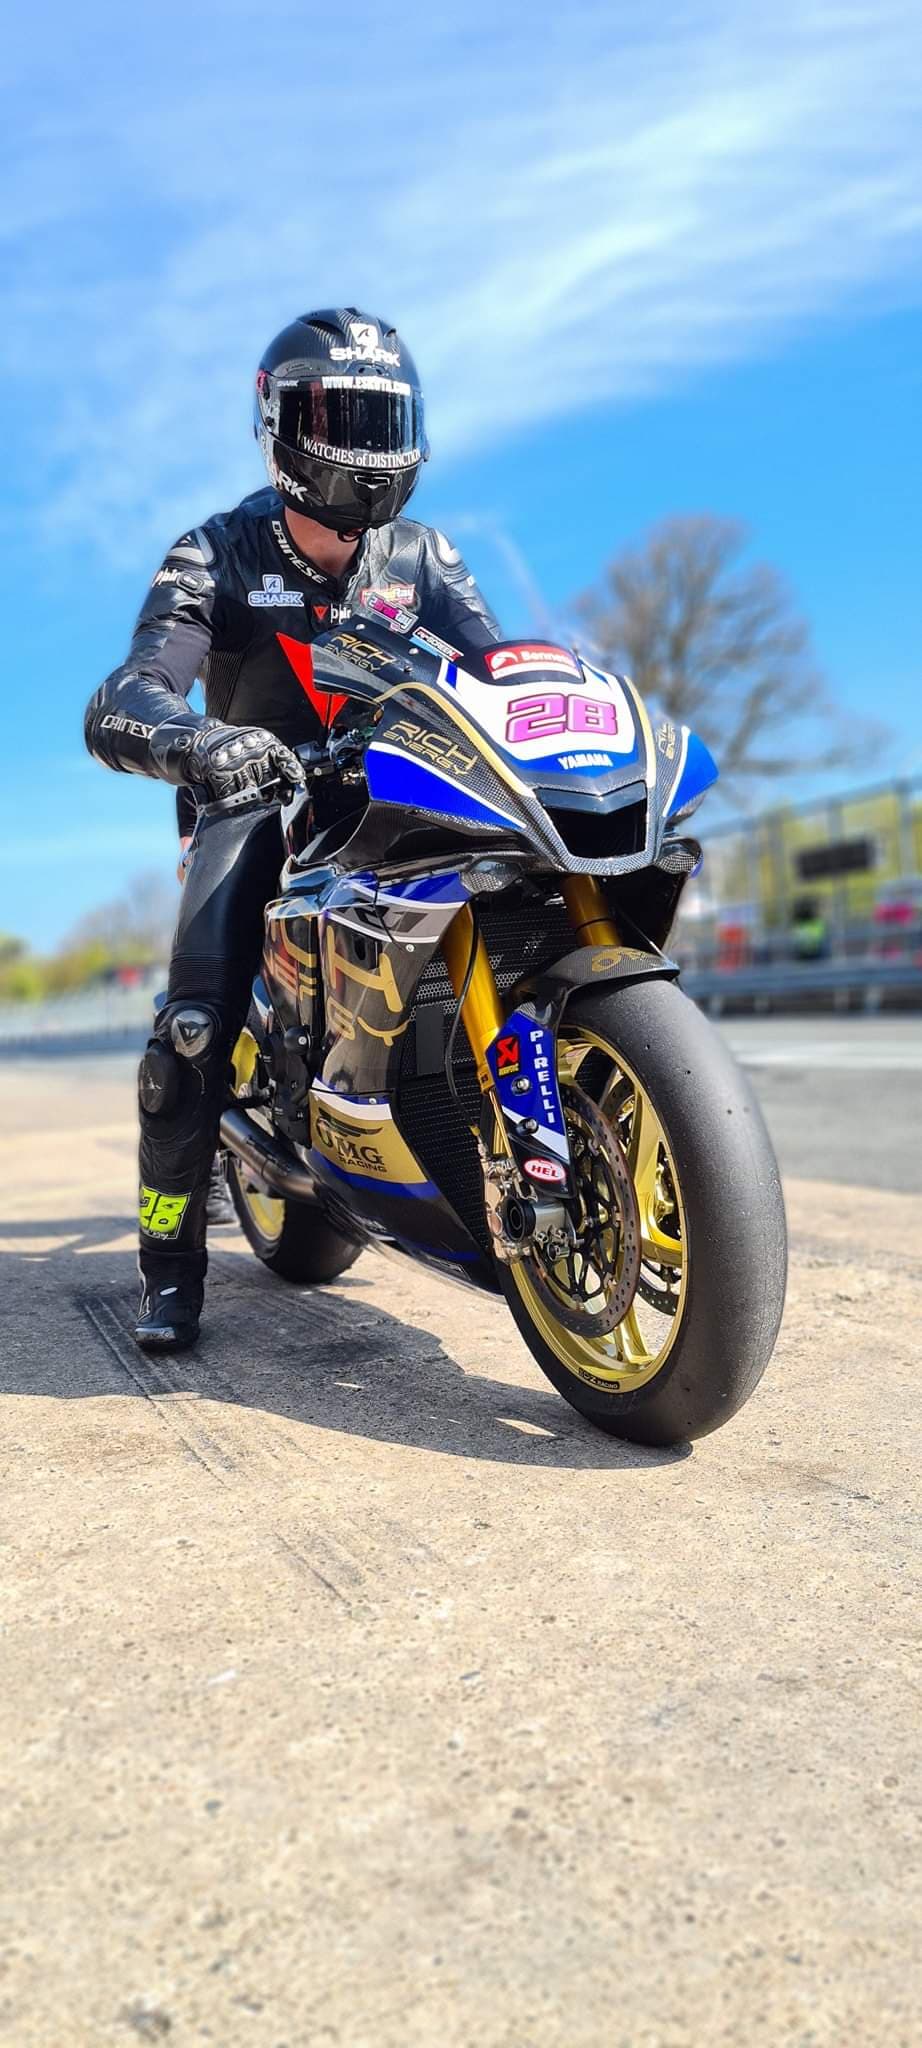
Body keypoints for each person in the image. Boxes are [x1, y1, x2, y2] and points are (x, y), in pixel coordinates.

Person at [85, 308, 502, 1352]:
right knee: (191, 1036)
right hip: (254, 808)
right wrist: (201, 747)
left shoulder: (425, 554)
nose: (363, 446)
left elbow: (501, 674)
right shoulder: (213, 551)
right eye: (341, 417)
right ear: (280, 427)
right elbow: (129, 692)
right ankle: (170, 1264)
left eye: (382, 418)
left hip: (397, 797)